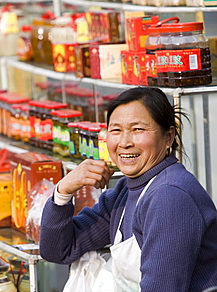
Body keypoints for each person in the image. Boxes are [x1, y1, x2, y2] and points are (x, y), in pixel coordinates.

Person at [39, 87, 217, 292]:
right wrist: (64, 190)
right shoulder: (124, 193)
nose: (124, 142)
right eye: (116, 130)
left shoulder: (170, 196)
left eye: (138, 129)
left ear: (168, 137)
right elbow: (58, 250)